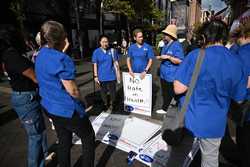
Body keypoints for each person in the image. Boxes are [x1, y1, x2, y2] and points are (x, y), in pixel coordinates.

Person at [174, 19, 247, 167]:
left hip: (189, 119)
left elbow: (178, 88)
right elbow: (239, 99)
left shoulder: (196, 55)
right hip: (215, 124)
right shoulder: (236, 61)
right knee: (210, 160)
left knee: (179, 156)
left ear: (205, 37)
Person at [35, 21, 95, 167]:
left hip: (49, 106)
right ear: (62, 38)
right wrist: (82, 102)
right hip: (67, 109)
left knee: (63, 140)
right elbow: (73, 91)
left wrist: (63, 48)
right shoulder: (63, 59)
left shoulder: (40, 53)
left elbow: (53, 62)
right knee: (88, 137)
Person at [0, 24, 47, 167]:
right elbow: (35, 78)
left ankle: (43, 160)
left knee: (40, 131)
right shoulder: (12, 56)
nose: (24, 38)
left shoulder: (9, 54)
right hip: (26, 98)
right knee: (35, 136)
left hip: (26, 96)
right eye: (21, 35)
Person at [156, 24, 184, 114]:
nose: (164, 36)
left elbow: (180, 60)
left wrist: (168, 57)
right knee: (165, 92)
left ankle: (167, 109)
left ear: (171, 35)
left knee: (170, 93)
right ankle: (166, 108)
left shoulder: (177, 46)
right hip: (164, 74)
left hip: (171, 75)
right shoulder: (165, 45)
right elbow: (164, 56)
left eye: (166, 34)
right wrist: (161, 57)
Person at [233, 21, 250, 167]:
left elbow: (247, 80)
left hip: (247, 104)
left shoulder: (244, 52)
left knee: (244, 138)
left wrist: (238, 100)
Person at [92, 35, 120, 111]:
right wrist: (95, 76)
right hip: (101, 76)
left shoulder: (112, 51)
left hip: (111, 75)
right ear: (100, 42)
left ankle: (113, 104)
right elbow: (95, 64)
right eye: (103, 42)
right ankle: (105, 104)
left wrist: (118, 74)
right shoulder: (96, 52)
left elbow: (116, 63)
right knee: (103, 92)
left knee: (113, 92)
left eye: (106, 42)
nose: (105, 43)